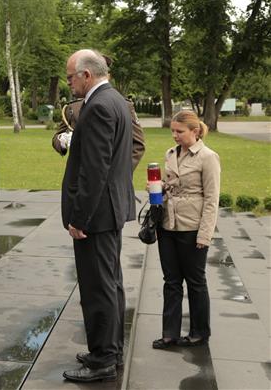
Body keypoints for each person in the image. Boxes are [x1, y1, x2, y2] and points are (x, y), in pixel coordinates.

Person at [61, 49, 135, 383]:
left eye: (70, 76)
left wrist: (79, 218)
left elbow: (94, 171)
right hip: (109, 210)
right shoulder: (115, 100)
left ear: (87, 75)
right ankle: (109, 349)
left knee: (98, 287)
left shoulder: (99, 106)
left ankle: (103, 358)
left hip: (97, 215)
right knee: (111, 283)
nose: (69, 83)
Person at [152, 110, 220, 350]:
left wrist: (205, 234)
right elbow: (171, 184)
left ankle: (199, 332)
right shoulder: (170, 154)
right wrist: (158, 186)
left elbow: (212, 199)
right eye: (173, 131)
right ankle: (170, 334)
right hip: (168, 225)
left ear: (195, 131)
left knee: (195, 281)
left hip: (192, 227)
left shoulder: (208, 157)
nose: (174, 136)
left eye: (179, 131)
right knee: (171, 281)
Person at [52, 55, 146, 171]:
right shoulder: (73, 108)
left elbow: (137, 144)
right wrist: (62, 141)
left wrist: (120, 173)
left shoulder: (123, 105)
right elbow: (58, 135)